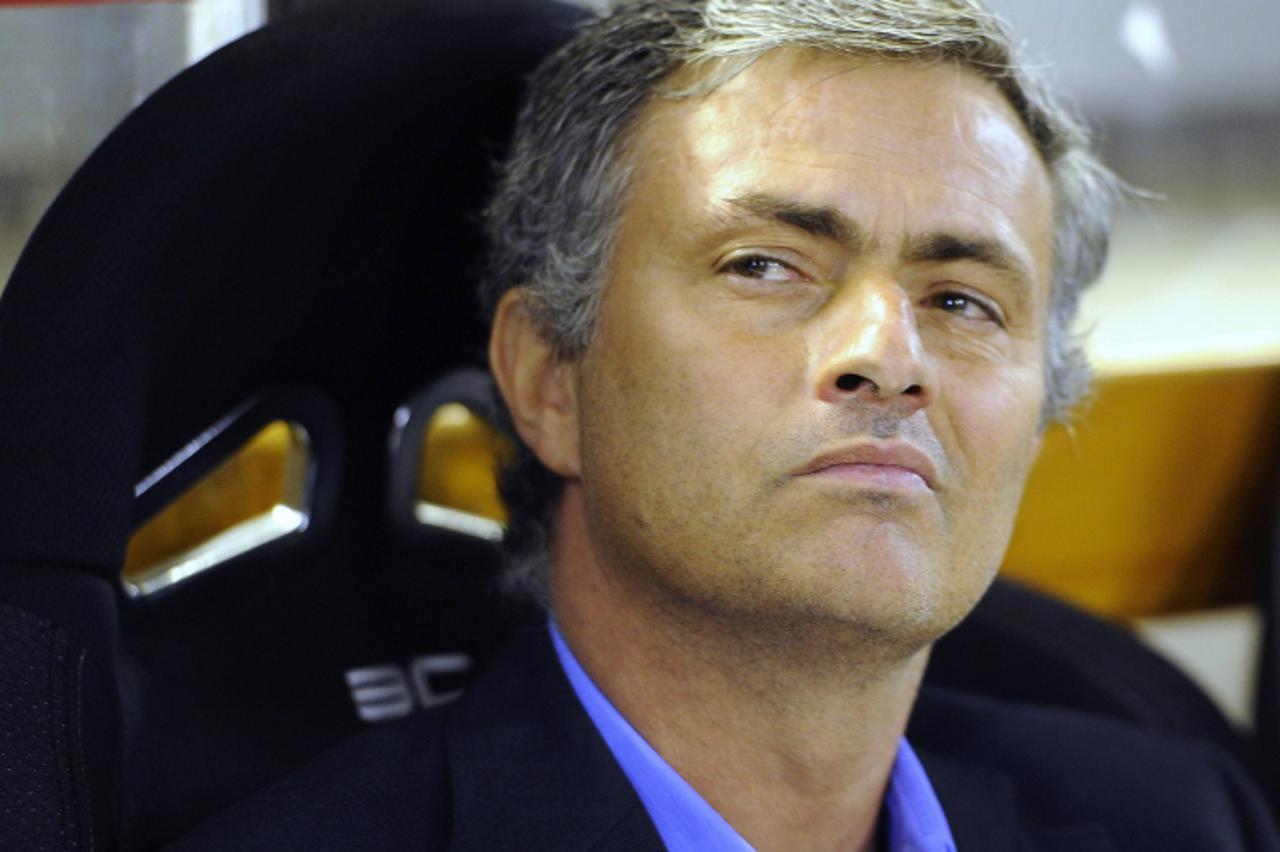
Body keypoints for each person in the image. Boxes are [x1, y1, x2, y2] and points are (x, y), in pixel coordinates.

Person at [171, 0, 1280, 849]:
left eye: (961, 301)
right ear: (550, 379)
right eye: (763, 266)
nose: (889, 357)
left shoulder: (1181, 821)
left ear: (1037, 420)